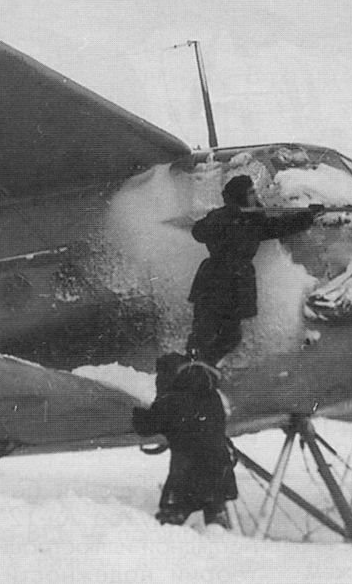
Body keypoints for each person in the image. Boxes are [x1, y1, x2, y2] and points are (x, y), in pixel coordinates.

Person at [186, 174, 321, 364]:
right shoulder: (228, 218)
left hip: (234, 281)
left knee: (229, 336)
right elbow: (198, 232)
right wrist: (222, 217)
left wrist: (308, 215)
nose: (254, 196)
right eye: (250, 193)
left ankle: (202, 366)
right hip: (217, 280)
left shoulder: (252, 220)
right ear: (240, 196)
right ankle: (192, 369)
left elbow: (280, 226)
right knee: (204, 333)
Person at [132, 353, 237, 529]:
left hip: (186, 476)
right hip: (219, 472)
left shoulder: (172, 399)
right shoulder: (213, 397)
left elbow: (145, 427)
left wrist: (137, 412)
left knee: (170, 524)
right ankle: (220, 535)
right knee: (215, 520)